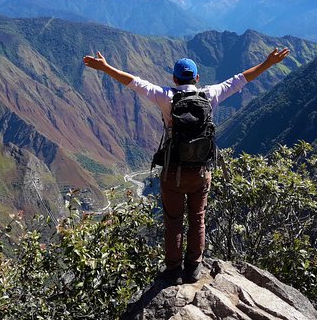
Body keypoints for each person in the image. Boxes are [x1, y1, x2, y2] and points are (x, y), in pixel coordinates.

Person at [83, 47, 290, 284]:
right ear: (197, 78)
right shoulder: (211, 94)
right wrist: (268, 63)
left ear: (174, 78)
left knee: (173, 221)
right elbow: (240, 79)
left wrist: (105, 67)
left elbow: (135, 83)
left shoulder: (165, 96)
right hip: (201, 173)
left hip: (173, 173)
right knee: (197, 218)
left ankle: (173, 271)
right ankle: (193, 268)